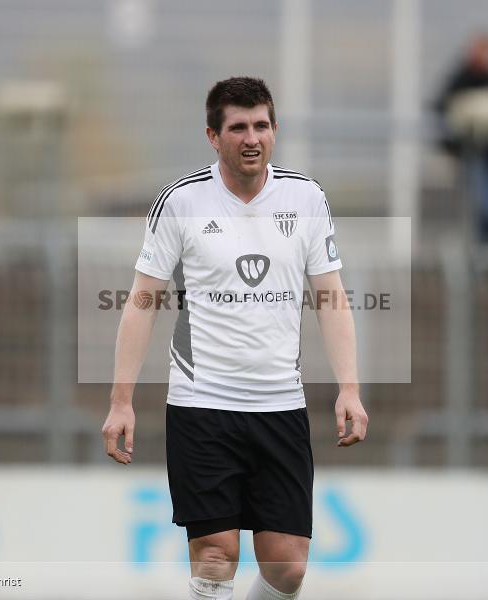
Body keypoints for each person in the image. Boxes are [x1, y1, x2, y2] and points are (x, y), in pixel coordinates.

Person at [101, 77, 368, 600]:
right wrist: (121, 402)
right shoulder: (180, 201)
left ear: (275, 131)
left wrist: (350, 389)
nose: (252, 138)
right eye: (238, 127)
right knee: (216, 554)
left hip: (279, 405)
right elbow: (141, 302)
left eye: (262, 126)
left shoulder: (305, 198)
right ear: (213, 136)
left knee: (288, 566)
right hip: (203, 405)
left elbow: (332, 298)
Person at [435, 33, 488, 243]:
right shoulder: (460, 79)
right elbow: (445, 110)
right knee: (477, 208)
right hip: (471, 157)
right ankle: (479, 254)